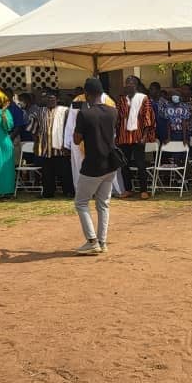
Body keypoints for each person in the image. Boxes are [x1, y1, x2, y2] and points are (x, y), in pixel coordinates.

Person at [73, 77, 119, 255]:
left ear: (86, 94)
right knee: (103, 204)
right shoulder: (113, 111)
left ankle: (92, 241)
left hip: (93, 164)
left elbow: (77, 140)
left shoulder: (84, 114)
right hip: (110, 164)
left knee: (81, 202)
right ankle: (102, 241)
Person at [64, 82, 116, 192]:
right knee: (79, 166)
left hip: (101, 139)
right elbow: (71, 122)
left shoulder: (108, 101)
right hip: (80, 139)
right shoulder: (77, 100)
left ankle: (100, 190)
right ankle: (81, 190)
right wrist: (67, 143)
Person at [116, 76, 156, 198]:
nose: (128, 85)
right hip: (124, 137)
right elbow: (118, 117)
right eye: (127, 83)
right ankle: (128, 189)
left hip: (138, 136)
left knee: (140, 164)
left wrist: (144, 136)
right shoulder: (122, 100)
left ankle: (144, 190)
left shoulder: (144, 99)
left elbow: (147, 118)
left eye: (131, 83)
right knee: (124, 164)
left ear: (137, 85)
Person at [34, 91, 73, 198]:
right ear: (45, 100)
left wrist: (67, 144)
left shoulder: (64, 111)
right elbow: (34, 127)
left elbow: (70, 128)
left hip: (60, 148)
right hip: (46, 148)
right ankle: (48, 192)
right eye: (48, 98)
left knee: (65, 171)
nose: (50, 100)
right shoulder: (40, 111)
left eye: (53, 98)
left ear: (57, 99)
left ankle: (68, 191)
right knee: (47, 172)